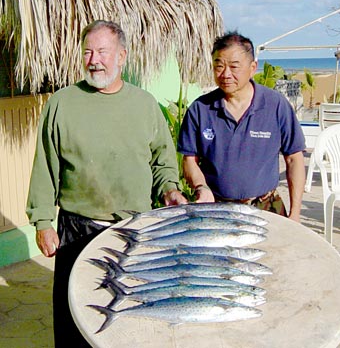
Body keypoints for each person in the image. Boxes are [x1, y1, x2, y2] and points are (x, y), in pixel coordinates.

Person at [26, 20, 187, 347]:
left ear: (122, 56)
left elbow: (161, 160)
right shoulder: (62, 103)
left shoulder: (144, 104)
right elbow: (45, 164)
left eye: (102, 51)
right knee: (74, 317)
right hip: (76, 230)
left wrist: (169, 188)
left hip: (132, 232)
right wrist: (43, 221)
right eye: (87, 51)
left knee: (128, 317)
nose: (94, 59)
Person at [178, 31, 306, 222]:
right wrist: (201, 187)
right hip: (215, 209)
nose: (226, 74)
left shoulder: (275, 105)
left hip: (265, 207)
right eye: (219, 66)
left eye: (234, 67)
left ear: (253, 67)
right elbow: (189, 160)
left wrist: (295, 212)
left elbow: (294, 159)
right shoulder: (200, 109)